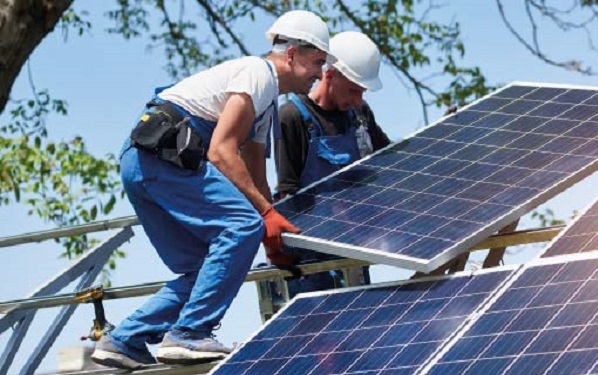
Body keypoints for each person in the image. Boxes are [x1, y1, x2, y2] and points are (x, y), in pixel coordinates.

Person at [91, 10, 332, 370]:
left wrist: (271, 233)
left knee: (208, 270)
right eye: (317, 63)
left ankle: (124, 339)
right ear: (292, 54)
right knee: (240, 227)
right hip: (165, 157)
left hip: (142, 161)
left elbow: (254, 171)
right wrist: (263, 218)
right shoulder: (258, 74)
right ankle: (188, 333)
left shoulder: (265, 102)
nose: (319, 74)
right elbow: (221, 152)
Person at [274, 31, 390, 297]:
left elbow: (391, 161)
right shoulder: (292, 117)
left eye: (362, 92)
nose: (358, 100)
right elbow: (287, 197)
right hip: (310, 259)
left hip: (352, 246)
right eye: (353, 90)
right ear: (330, 75)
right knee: (321, 334)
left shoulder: (359, 114)